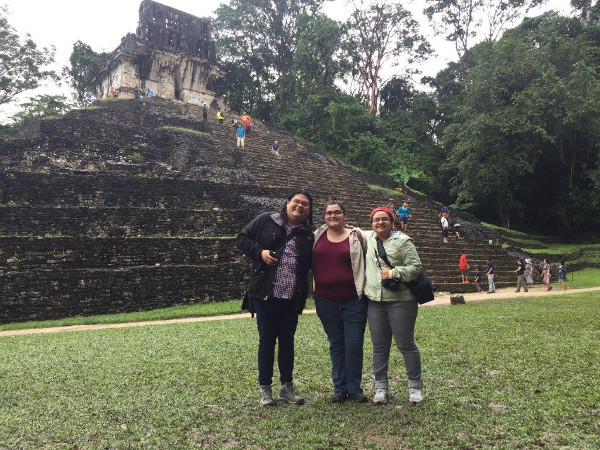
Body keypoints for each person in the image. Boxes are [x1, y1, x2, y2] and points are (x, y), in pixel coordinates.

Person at [236, 190, 314, 407]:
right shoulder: (266, 220)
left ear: (309, 209)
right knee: (267, 341)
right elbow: (241, 238)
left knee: (288, 342)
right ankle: (265, 389)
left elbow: (309, 265)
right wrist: (259, 253)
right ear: (287, 202)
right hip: (266, 294)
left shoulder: (307, 234)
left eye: (305, 204)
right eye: (296, 202)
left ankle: (286, 386)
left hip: (291, 296)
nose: (300, 206)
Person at [364, 206, 424, 405]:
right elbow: (346, 230)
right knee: (379, 347)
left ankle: (415, 387)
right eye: (376, 220)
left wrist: (393, 273)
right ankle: (380, 387)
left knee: (406, 344)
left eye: (384, 219)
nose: (380, 223)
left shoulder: (403, 241)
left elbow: (415, 267)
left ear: (392, 222)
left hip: (402, 301)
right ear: (371, 224)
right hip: (375, 303)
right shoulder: (368, 239)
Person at [313, 200, 368, 403]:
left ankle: (354, 388)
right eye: (329, 213)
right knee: (336, 344)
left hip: (353, 300)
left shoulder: (357, 236)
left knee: (353, 344)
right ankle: (339, 388)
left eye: (337, 212)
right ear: (324, 216)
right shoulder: (317, 236)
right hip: (325, 300)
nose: (333, 216)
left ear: (345, 215)